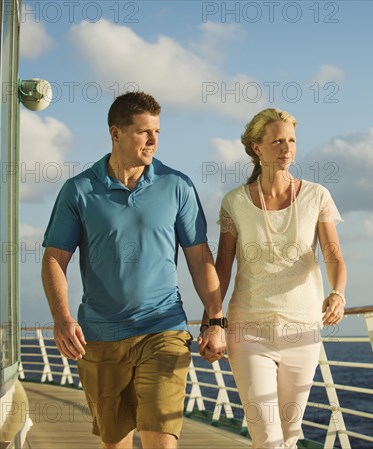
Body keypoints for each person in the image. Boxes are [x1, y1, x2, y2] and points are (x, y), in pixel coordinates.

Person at [41, 91, 226, 449]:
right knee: (116, 443)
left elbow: (199, 256)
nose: (154, 140)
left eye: (157, 131)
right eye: (144, 132)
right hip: (100, 336)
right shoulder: (78, 190)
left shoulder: (177, 186)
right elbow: (54, 258)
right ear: (116, 133)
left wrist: (215, 319)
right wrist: (62, 318)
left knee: (161, 437)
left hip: (163, 329)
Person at [205, 108, 347, 448]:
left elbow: (333, 255)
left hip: (303, 329)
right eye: (278, 141)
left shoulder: (316, 196)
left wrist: (338, 293)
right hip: (249, 329)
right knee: (267, 437)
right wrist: (214, 320)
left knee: (289, 435)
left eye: (292, 140)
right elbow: (223, 266)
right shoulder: (235, 202)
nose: (287, 148)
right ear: (257, 147)